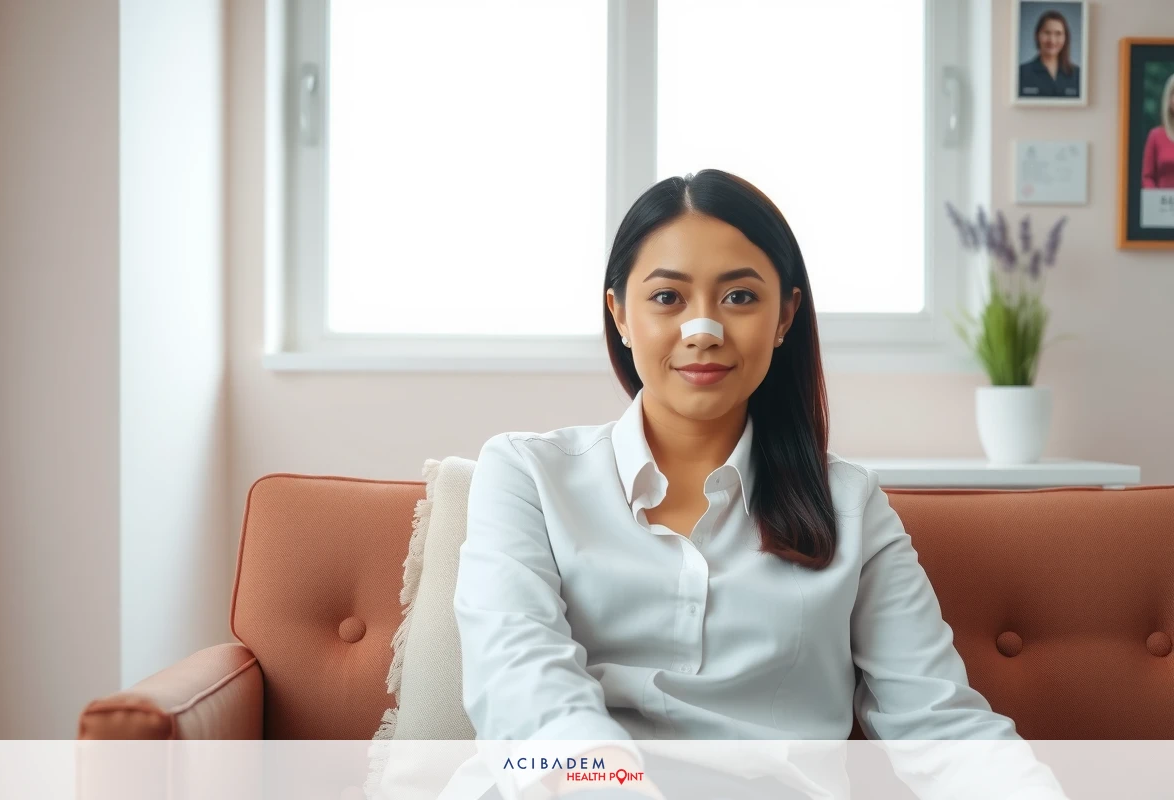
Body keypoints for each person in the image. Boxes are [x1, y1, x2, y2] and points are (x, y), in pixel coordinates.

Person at [452, 170, 1067, 800]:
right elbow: (521, 682)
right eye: (667, 298)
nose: (703, 330)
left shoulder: (850, 507)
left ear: (785, 315)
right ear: (620, 314)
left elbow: (941, 724)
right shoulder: (525, 474)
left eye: (739, 298)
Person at [1018, 9, 1080, 98]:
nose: (1052, 40)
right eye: (1047, 33)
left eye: (1058, 34)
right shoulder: (1021, 73)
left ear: (1066, 38)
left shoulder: (1078, 75)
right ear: (1037, 35)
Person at [1141, 73, 1174, 189]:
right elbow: (1147, 177)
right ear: (1169, 100)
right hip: (1162, 205)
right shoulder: (1156, 136)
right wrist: (1155, 200)